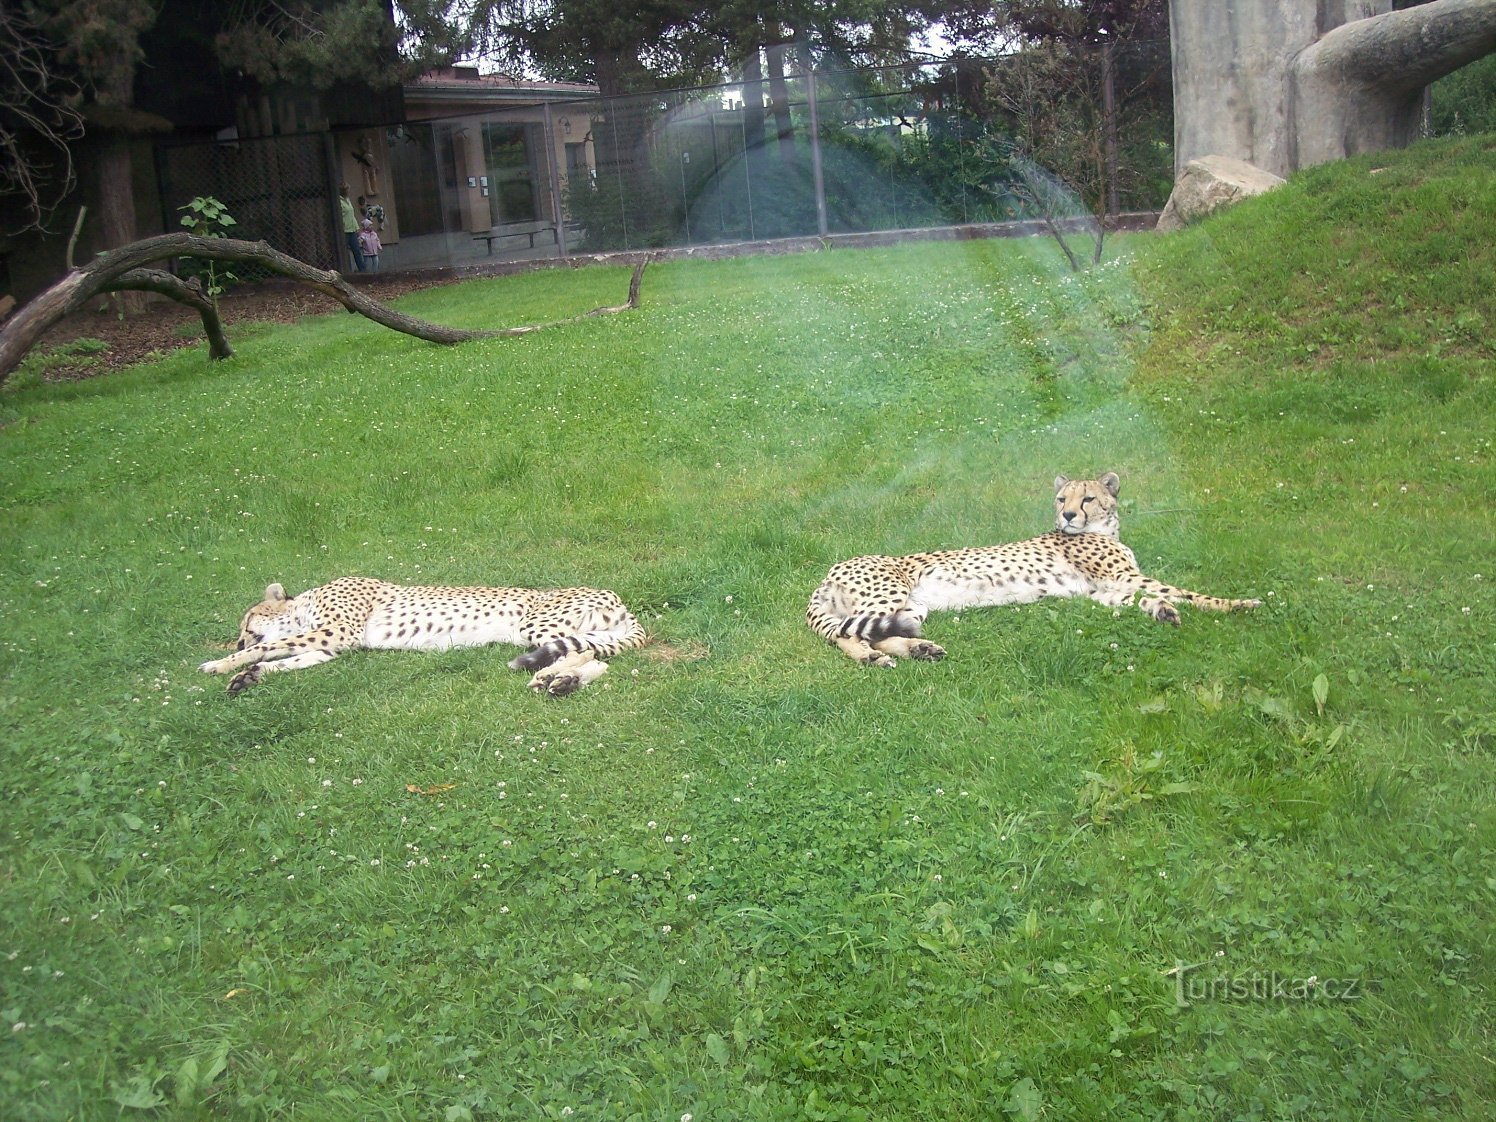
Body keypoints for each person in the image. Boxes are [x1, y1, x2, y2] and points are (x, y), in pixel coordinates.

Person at [338, 184, 364, 272]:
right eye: (347, 190)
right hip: (344, 230)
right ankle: (344, 271)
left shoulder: (348, 200)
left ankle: (362, 270)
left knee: (356, 251)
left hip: (352, 230)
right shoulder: (339, 201)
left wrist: (357, 227)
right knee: (344, 252)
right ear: (343, 191)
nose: (349, 192)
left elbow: (352, 215)